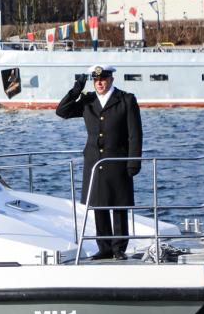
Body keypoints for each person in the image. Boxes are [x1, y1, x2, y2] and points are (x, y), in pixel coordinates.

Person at [56, 64, 143, 259]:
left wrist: (134, 161)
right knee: (98, 204)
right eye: (96, 80)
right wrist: (76, 90)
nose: (99, 83)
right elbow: (62, 111)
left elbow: (135, 134)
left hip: (117, 159)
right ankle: (104, 248)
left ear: (111, 79)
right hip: (94, 160)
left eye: (103, 79)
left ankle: (118, 248)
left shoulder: (125, 100)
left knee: (119, 205)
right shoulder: (88, 100)